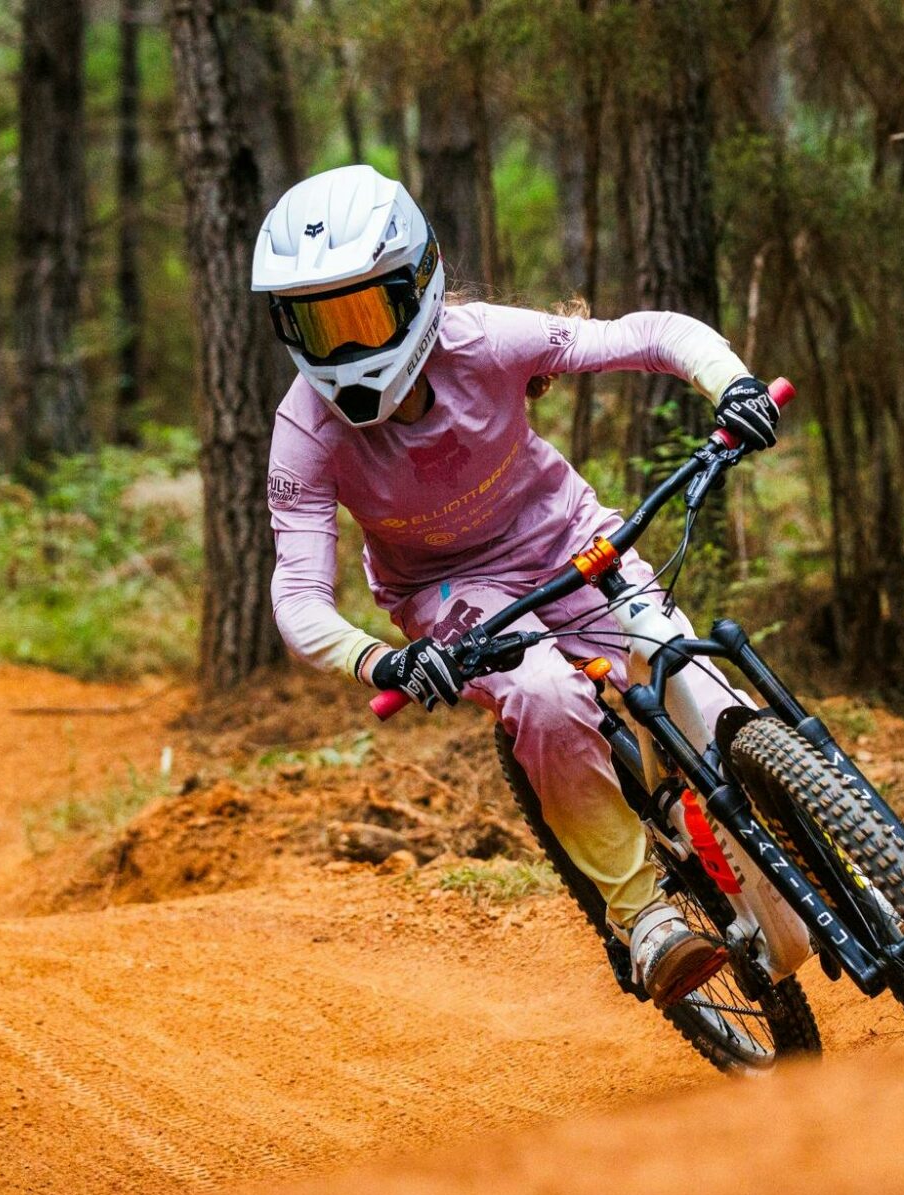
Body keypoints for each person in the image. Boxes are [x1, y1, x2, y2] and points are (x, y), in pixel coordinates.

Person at [253, 164, 781, 1007]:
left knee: (692, 680)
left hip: (572, 537)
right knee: (542, 697)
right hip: (449, 592)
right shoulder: (305, 432)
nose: (347, 347)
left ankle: (814, 852)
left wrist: (732, 383)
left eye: (363, 312)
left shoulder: (484, 339)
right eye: (320, 325)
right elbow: (299, 600)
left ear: (417, 284)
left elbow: (645, 334)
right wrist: (380, 662)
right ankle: (643, 915)